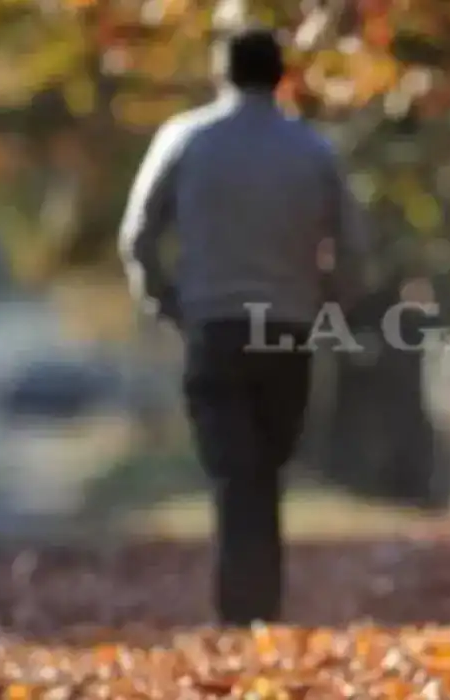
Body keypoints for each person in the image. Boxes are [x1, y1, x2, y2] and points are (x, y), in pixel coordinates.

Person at [118, 25, 368, 625]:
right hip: (285, 326)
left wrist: (168, 302)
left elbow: (138, 236)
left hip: (215, 325)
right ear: (282, 76)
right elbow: (354, 248)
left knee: (236, 471)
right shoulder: (314, 150)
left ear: (220, 73)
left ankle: (243, 611)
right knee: (264, 466)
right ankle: (257, 608)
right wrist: (327, 299)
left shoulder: (185, 139)